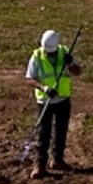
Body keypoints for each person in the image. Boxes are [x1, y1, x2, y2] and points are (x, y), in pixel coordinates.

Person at [24, 29, 79, 172]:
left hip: (62, 99)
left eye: (52, 52)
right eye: (48, 52)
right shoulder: (37, 56)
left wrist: (71, 63)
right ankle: (40, 165)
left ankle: (57, 160)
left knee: (61, 131)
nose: (50, 54)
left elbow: (78, 71)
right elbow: (30, 79)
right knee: (44, 133)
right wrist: (44, 88)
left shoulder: (64, 53)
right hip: (45, 101)